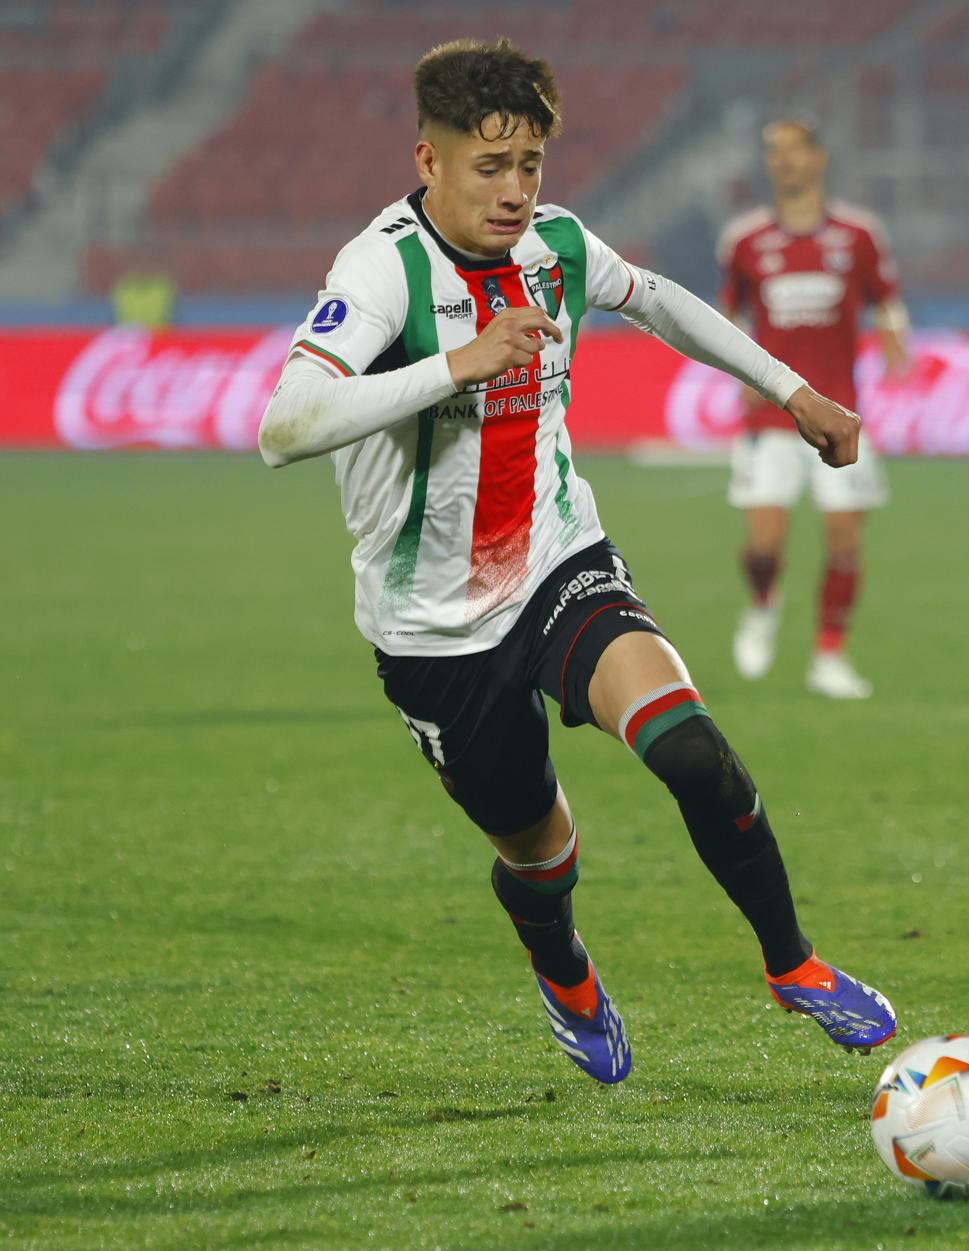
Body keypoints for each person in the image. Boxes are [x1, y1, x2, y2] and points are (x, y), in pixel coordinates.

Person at [257, 38, 896, 1084]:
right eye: (489, 168)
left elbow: (658, 299)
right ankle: (563, 968)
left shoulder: (555, 244)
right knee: (540, 853)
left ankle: (795, 963)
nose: (515, 193)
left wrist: (792, 391)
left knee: (693, 749)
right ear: (429, 159)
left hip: (558, 563)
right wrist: (455, 362)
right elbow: (285, 425)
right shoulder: (380, 270)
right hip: (431, 631)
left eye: (532, 167)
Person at [716, 117, 909, 700]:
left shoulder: (858, 234)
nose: (784, 161)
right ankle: (762, 602)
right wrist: (736, 368)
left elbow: (887, 299)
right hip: (771, 418)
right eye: (775, 152)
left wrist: (897, 338)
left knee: (845, 541)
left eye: (795, 151)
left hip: (839, 414)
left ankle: (830, 655)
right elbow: (729, 314)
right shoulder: (746, 239)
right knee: (765, 545)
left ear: (819, 158)